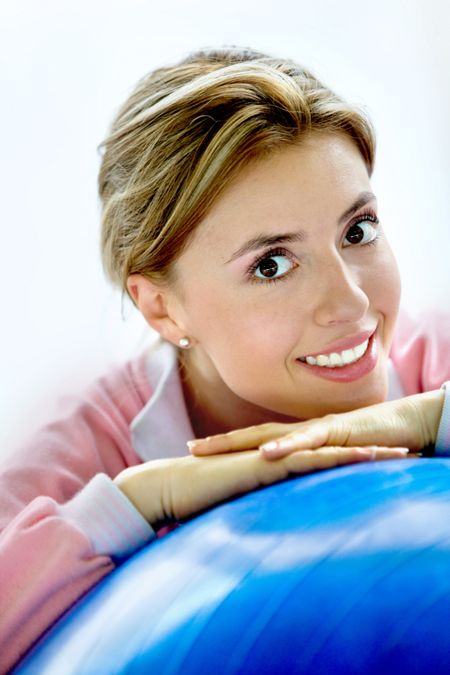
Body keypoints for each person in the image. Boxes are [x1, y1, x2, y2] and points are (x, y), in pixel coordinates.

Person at [1, 46, 449, 672]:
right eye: (272, 264)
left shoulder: (434, 357)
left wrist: (424, 423)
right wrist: (134, 504)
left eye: (358, 230)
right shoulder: (87, 449)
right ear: (162, 309)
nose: (350, 301)